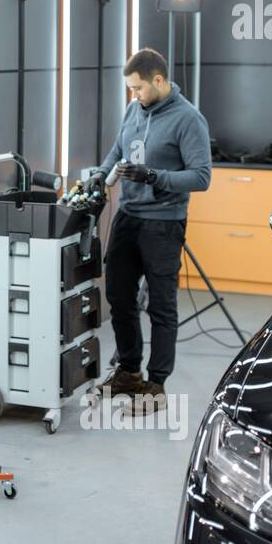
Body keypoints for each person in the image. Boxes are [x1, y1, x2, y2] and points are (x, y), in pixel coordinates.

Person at [88, 48, 211, 412]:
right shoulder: (134, 109)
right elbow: (117, 150)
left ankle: (155, 385)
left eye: (138, 88)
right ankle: (128, 372)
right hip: (128, 217)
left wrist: (155, 176)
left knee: (161, 305)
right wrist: (100, 174)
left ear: (159, 80)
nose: (134, 95)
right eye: (130, 89)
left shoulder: (189, 120)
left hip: (164, 223)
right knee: (119, 297)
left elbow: (201, 177)